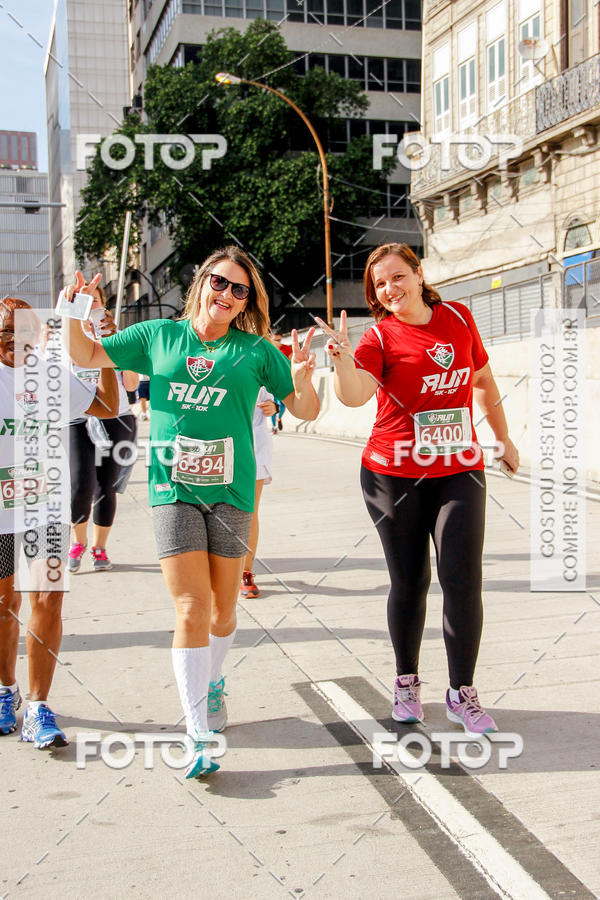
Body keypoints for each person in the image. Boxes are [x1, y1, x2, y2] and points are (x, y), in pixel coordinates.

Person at [62, 246, 319, 777]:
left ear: (247, 302)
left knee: (224, 610)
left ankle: (213, 679)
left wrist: (307, 375)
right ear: (201, 283)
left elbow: (304, 409)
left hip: (232, 494)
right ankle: (197, 727)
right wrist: (72, 315)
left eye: (239, 290)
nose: (226, 294)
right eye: (219, 283)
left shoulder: (256, 350)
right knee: (190, 606)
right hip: (172, 490)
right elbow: (87, 356)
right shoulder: (157, 337)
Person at [316, 243, 519, 737]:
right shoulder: (379, 337)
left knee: (462, 578)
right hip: (393, 476)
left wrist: (504, 435)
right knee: (410, 581)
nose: (390, 289)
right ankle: (407, 681)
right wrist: (342, 360)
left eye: (397, 277)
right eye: (379, 284)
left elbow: (484, 381)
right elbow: (356, 393)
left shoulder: (457, 316)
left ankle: (462, 693)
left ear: (417, 273)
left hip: (458, 469)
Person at [0, 299, 118, 748]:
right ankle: (5, 689)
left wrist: (104, 349)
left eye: (25, 334)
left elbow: (107, 405)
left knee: (47, 600)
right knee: (4, 605)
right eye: (6, 334)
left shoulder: (49, 373)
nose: (16, 343)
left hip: (43, 507)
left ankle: (37, 707)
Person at [66, 284, 139, 573]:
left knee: (105, 487)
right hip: (77, 418)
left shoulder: (118, 337)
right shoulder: (67, 337)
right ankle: (78, 541)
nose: (89, 306)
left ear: (103, 306)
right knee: (80, 484)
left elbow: (132, 385)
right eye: (82, 300)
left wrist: (118, 347)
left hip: (117, 418)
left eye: (94, 300)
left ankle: (99, 548)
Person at [240, 387, 277, 599]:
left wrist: (272, 406)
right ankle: (219, 571)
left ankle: (246, 572)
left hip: (254, 444)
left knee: (250, 510)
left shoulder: (257, 355)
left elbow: (270, 397)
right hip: (215, 446)